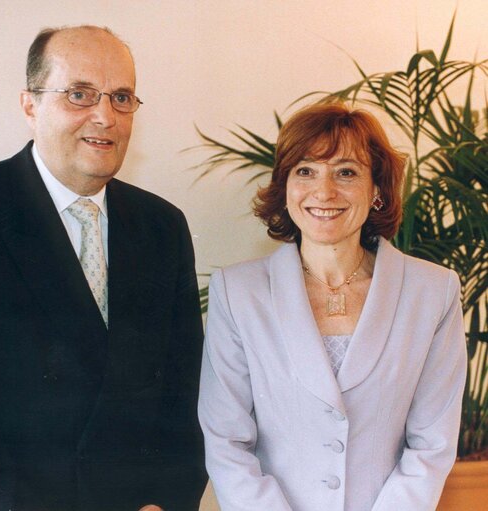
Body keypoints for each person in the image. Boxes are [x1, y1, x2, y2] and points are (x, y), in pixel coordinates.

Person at [0, 25, 207, 511]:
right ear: (30, 104)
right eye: (80, 94)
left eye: (121, 97)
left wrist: (164, 501)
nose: (105, 115)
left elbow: (184, 394)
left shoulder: (162, 226)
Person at [198, 102, 467, 510]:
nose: (324, 192)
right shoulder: (237, 292)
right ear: (284, 186)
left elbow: (433, 445)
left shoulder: (433, 291)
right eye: (305, 171)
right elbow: (227, 441)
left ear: (376, 190)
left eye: (346, 172)